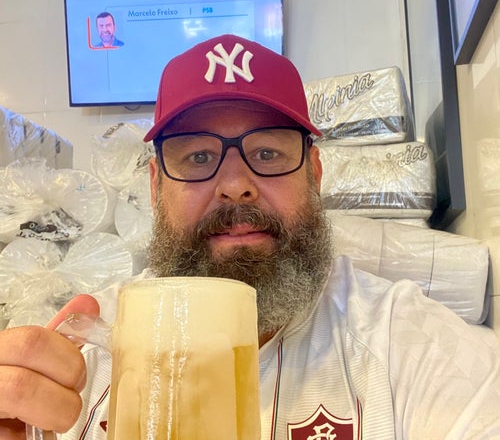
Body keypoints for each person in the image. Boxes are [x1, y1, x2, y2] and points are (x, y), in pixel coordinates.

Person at [1, 34, 499, 439]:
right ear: (155, 188)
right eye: (198, 156)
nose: (236, 185)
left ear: (314, 175)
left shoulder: (407, 345)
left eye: (267, 153)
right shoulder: (82, 357)